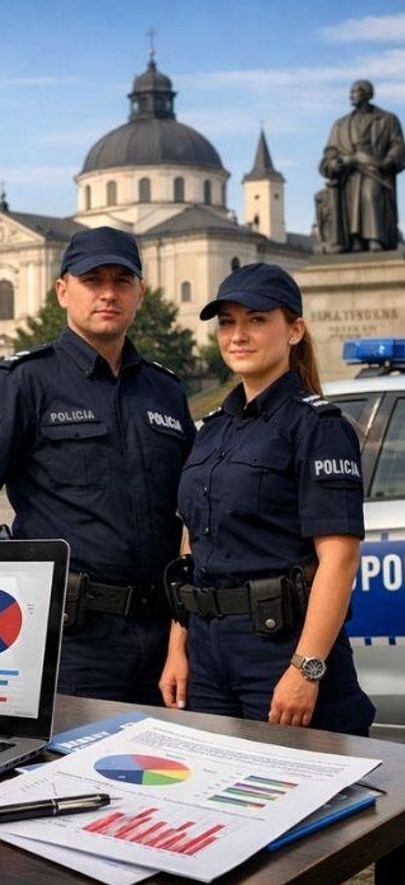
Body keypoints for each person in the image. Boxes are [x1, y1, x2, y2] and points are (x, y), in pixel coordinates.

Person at [0, 227, 195, 704]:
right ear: (62, 291)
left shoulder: (166, 392)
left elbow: (194, 519)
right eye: (92, 280)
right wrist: (15, 606)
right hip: (70, 642)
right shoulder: (25, 382)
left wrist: (180, 639)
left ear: (141, 292)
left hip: (161, 643)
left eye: (122, 280)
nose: (108, 293)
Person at [159, 263, 375, 735]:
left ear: (294, 330)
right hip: (209, 656)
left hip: (280, 649)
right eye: (228, 322)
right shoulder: (212, 429)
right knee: (214, 796)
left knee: (302, 799)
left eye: (257, 320)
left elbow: (339, 559)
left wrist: (306, 668)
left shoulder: (318, 428)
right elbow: (192, 548)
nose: (238, 335)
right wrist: (179, 649)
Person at [318, 79, 405, 252]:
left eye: (356, 91)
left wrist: (387, 162)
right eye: (351, 91)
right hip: (349, 172)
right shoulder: (341, 124)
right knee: (350, 203)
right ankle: (355, 240)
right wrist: (335, 162)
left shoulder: (387, 120)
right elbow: (330, 151)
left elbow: (398, 145)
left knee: (370, 196)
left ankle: (376, 239)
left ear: (367, 94)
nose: (351, 95)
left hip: (375, 171)